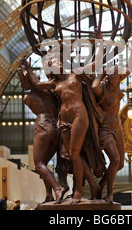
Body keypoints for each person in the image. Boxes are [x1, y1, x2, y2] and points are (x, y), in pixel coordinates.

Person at [38, 42, 106, 204]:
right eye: (53, 64)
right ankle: (93, 185)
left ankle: (79, 190)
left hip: (78, 116)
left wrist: (101, 44)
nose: (57, 65)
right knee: (69, 155)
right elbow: (34, 84)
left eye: (58, 62)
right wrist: (26, 71)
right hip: (64, 120)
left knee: (74, 154)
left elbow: (97, 63)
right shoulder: (54, 83)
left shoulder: (76, 74)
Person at [17, 58, 69, 204]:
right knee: (45, 162)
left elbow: (34, 87)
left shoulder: (30, 96)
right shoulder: (53, 90)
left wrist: (29, 74)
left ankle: (57, 189)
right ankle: (48, 195)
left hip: (43, 126)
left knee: (39, 163)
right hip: (57, 127)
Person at [92, 41, 132, 203]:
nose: (116, 77)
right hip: (104, 129)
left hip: (117, 128)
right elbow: (94, 86)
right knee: (115, 160)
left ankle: (100, 185)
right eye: (112, 75)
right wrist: (101, 73)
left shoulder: (117, 82)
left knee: (120, 165)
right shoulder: (102, 89)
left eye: (117, 75)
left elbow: (130, 69)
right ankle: (109, 193)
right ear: (107, 76)